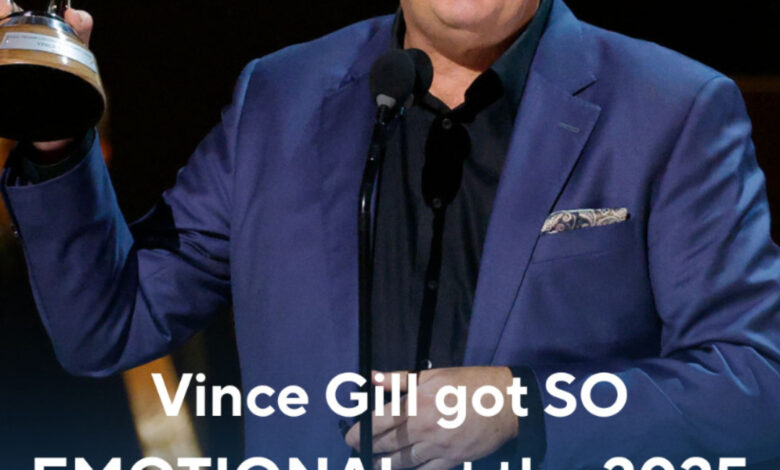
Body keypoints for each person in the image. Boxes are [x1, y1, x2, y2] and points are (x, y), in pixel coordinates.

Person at [1, 0, 779, 468]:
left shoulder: (671, 108)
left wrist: (528, 409)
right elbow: (110, 325)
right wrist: (54, 136)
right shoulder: (280, 97)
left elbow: (756, 388)